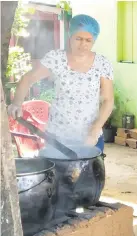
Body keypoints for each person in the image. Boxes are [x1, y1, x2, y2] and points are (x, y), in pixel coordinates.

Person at [8, 14, 114, 152]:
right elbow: (28, 78)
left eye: (88, 40)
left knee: (90, 173)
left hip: (89, 138)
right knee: (56, 173)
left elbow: (108, 99)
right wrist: (17, 103)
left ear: (94, 40)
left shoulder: (102, 64)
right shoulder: (56, 59)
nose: (83, 44)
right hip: (57, 137)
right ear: (70, 36)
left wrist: (95, 128)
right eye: (78, 38)